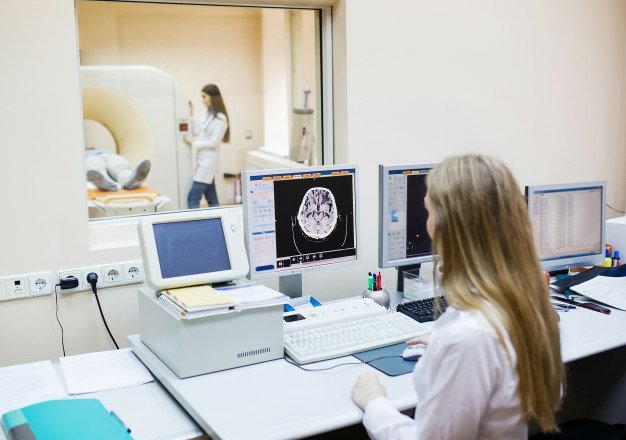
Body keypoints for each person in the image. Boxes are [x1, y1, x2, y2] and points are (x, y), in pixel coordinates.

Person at [351, 154, 564, 439]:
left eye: (430, 212)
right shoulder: (522, 302)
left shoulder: (467, 337)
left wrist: (375, 404)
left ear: (449, 229)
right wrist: (446, 350)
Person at [184, 84, 230, 208]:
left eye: (204, 96)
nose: (202, 100)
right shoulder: (206, 112)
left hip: (208, 163)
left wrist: (193, 143)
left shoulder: (221, 118)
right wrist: (190, 113)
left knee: (192, 198)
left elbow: (214, 142)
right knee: (212, 199)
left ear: (212, 97)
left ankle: (194, 221)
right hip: (201, 160)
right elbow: (197, 131)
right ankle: (219, 218)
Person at [85, 149, 151, 191]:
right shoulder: (83, 153)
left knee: (121, 167)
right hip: (90, 156)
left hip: (110, 154)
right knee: (95, 168)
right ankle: (105, 183)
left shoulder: (104, 150)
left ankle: (131, 180)